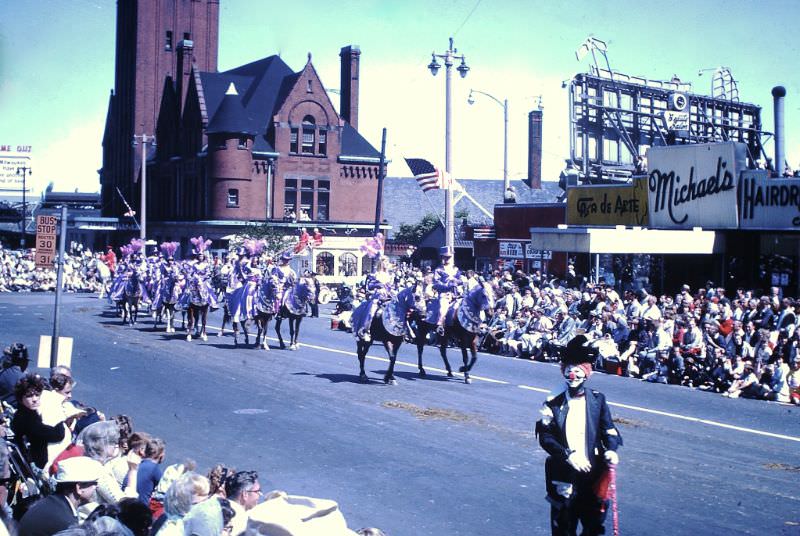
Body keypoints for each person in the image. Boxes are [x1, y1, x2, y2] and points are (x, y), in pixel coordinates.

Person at [536, 335, 622, 536]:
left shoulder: (597, 399)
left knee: (594, 527)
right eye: (569, 371)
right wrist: (568, 455)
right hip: (564, 475)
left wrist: (611, 449)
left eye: (577, 371)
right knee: (564, 528)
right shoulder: (553, 402)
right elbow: (546, 437)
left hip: (593, 474)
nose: (572, 375)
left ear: (586, 374)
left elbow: (609, 430)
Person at [17, 456, 102, 536]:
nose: (97, 487)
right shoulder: (65, 523)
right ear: (79, 488)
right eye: (94, 483)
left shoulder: (54, 504)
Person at [11, 374, 68, 470]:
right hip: (40, 463)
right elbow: (58, 435)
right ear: (21, 399)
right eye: (29, 396)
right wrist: (61, 420)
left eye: (37, 395)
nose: (35, 399)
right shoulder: (26, 419)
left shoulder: (25, 413)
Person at [430, 246, 463, 335]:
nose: (448, 258)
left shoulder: (456, 270)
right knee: (443, 308)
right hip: (444, 294)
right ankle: (439, 324)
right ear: (442, 257)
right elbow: (436, 283)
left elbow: (460, 280)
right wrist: (447, 286)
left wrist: (457, 282)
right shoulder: (438, 270)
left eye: (449, 257)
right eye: (446, 257)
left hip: (456, 294)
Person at [225, 470, 262, 536]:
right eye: (257, 491)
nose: (260, 495)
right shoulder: (242, 520)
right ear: (245, 494)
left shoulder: (218, 508)